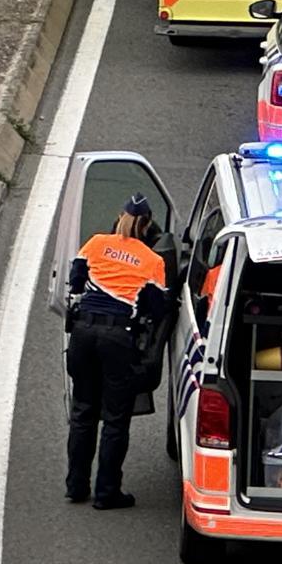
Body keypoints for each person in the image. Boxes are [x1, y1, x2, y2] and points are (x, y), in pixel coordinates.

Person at [65, 194, 168, 510]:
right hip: (117, 338)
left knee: (83, 411)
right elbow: (157, 308)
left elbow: (76, 280)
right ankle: (107, 492)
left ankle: (76, 486)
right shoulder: (153, 260)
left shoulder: (95, 243)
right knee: (114, 418)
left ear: (119, 216)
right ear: (147, 224)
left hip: (82, 333)